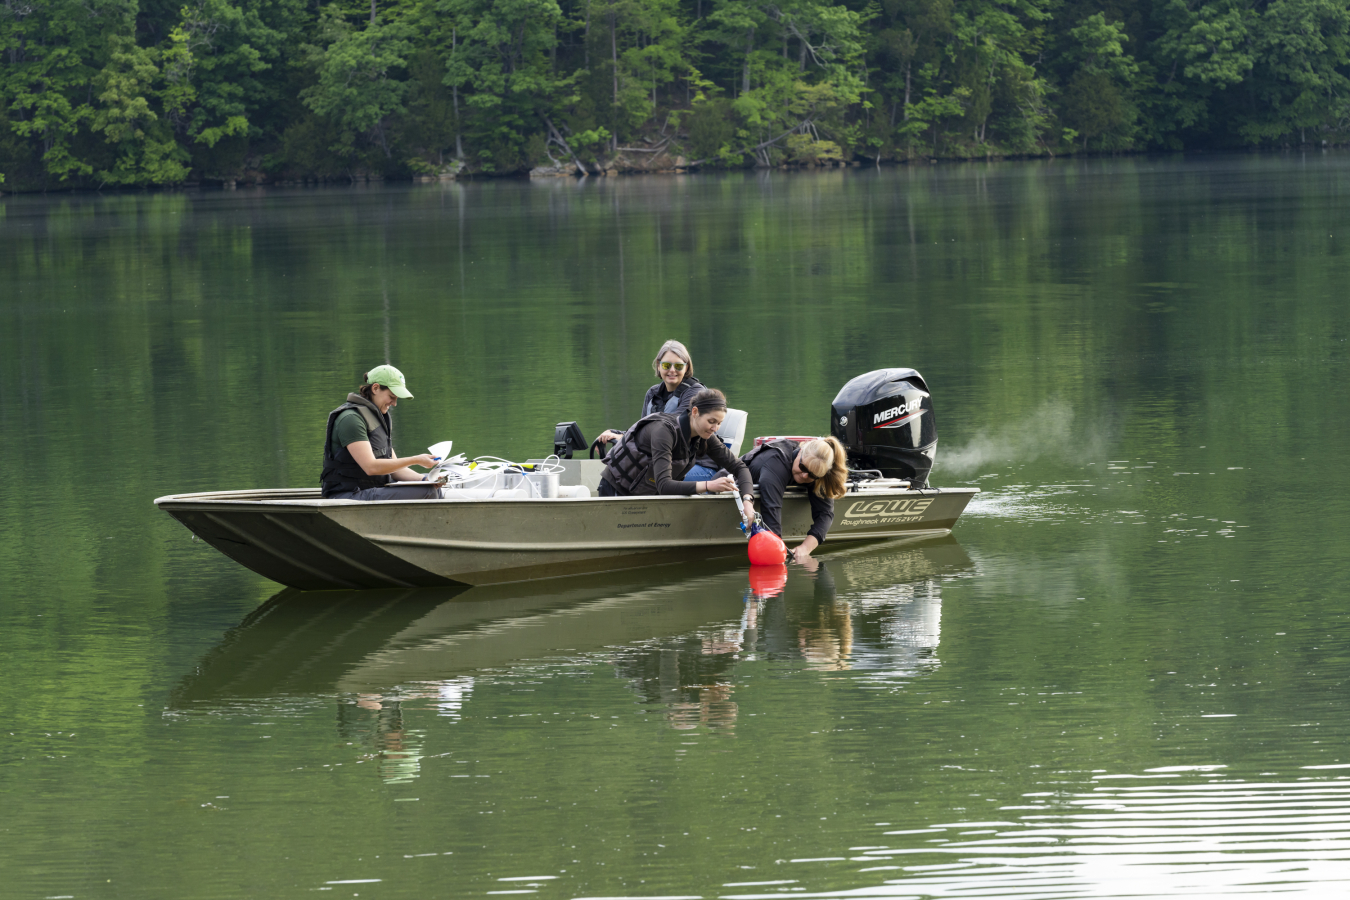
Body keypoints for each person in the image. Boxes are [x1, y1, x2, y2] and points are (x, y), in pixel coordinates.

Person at [599, 388, 756, 523]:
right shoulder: (664, 431)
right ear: (695, 412)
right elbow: (664, 485)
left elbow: (739, 467)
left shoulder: (705, 435)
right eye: (711, 421)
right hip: (617, 490)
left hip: (644, 494)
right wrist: (709, 485)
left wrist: (748, 501)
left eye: (719, 423)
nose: (715, 428)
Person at [594, 340, 720, 482]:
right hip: (667, 461)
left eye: (678, 366)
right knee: (619, 471)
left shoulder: (695, 393)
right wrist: (616, 434)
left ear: (686, 367)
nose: (672, 370)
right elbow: (642, 429)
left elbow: (672, 430)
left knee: (646, 478)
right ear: (659, 366)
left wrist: (623, 438)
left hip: (700, 465)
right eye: (666, 365)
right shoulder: (653, 393)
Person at [320, 364, 440, 500]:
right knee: (427, 492)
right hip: (348, 495)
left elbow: (396, 469)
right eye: (392, 396)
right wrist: (416, 460)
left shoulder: (378, 418)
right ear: (375, 388)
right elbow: (371, 467)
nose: (394, 403)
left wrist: (426, 478)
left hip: (371, 490)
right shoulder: (351, 419)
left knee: (434, 488)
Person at [742, 436, 848, 564]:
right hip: (727, 481)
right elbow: (771, 513)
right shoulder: (776, 462)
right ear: (801, 451)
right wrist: (777, 556)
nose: (804, 475)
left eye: (812, 475)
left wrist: (805, 549)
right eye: (802, 467)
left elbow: (825, 514)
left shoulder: (817, 470)